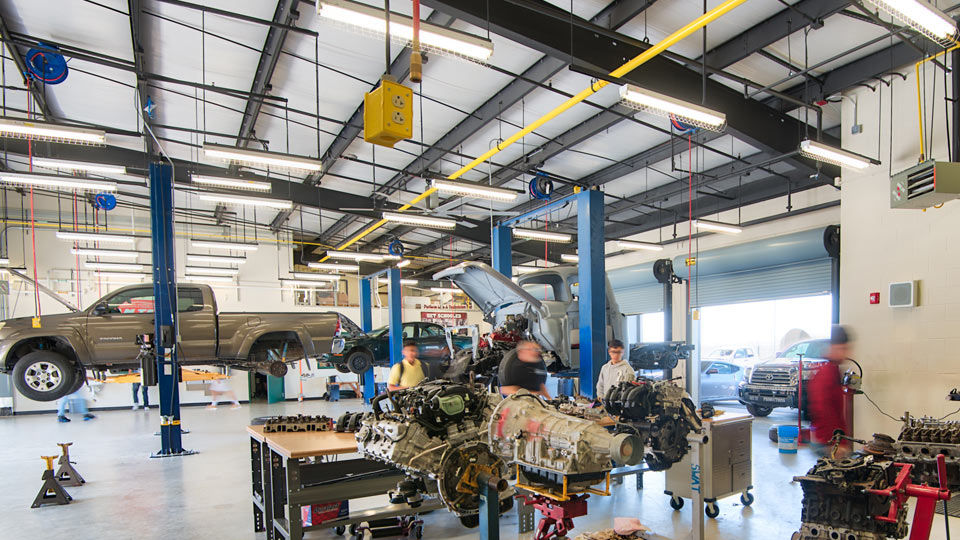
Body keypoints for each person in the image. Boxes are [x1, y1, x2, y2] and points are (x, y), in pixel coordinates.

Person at [808, 325, 852, 457]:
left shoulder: (834, 371)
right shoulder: (826, 374)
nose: (846, 353)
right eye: (842, 349)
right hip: (827, 444)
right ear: (833, 348)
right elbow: (822, 409)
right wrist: (836, 443)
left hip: (833, 441)